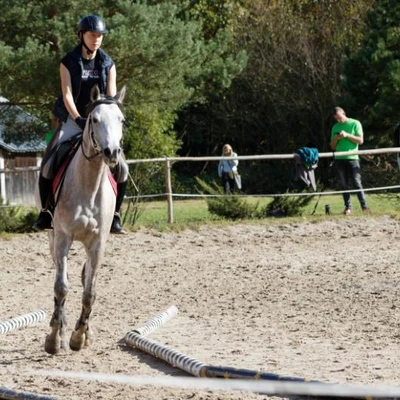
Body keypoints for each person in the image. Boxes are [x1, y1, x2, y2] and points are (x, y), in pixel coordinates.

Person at [33, 14, 128, 234]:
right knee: (50, 159)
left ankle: (115, 215)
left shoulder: (108, 63)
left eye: (99, 36)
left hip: (100, 121)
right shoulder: (68, 62)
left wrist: (107, 118)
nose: (96, 39)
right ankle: (46, 212)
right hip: (74, 119)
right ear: (81, 35)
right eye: (91, 35)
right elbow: (67, 95)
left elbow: (111, 97)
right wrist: (78, 119)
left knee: (122, 166)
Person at [330, 107, 370, 215]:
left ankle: (364, 206)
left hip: (352, 158)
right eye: (336, 119)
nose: (339, 120)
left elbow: (360, 140)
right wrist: (336, 138)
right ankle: (348, 207)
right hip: (339, 159)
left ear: (344, 113)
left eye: (340, 117)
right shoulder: (335, 127)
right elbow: (332, 146)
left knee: (357, 183)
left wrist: (347, 135)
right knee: (343, 184)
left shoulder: (355, 123)